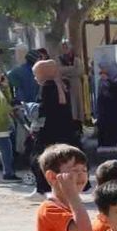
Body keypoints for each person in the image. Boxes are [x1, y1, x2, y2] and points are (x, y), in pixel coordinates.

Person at [30, 60, 79, 196]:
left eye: (36, 74)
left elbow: (45, 109)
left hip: (49, 130)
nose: (35, 78)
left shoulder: (47, 87)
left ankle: (42, 189)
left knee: (39, 159)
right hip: (64, 129)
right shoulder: (62, 84)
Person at [94, 60, 117, 148]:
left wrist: (108, 80)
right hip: (105, 111)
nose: (102, 70)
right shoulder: (103, 79)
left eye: (103, 68)